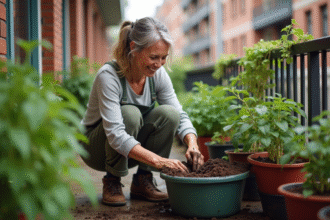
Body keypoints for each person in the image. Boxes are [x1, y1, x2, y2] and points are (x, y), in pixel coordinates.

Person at [81, 17, 204, 206]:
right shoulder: (109, 76)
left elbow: (179, 115)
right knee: (130, 114)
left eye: (163, 57)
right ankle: (112, 181)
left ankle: (142, 181)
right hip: (96, 149)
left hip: (129, 149)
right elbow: (115, 134)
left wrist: (193, 144)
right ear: (133, 48)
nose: (159, 63)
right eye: (153, 57)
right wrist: (160, 161)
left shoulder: (158, 75)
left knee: (169, 114)